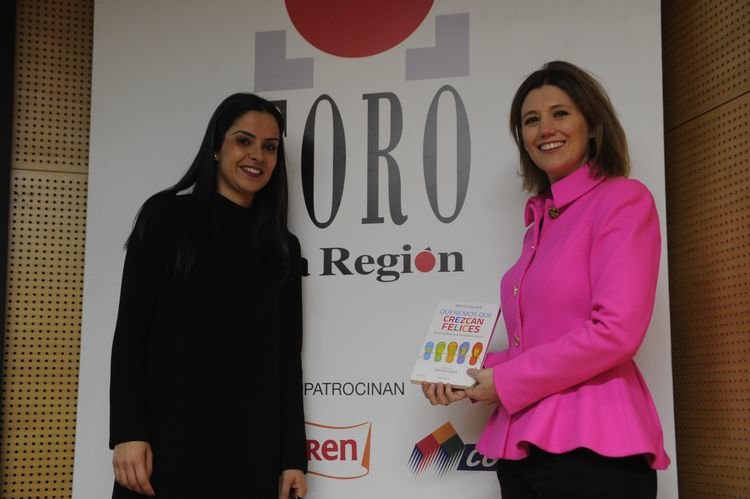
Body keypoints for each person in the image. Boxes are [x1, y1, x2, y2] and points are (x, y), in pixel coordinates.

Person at [422, 61, 670, 498]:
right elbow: (536, 346)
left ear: (593, 126)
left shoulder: (622, 200)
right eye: (531, 120)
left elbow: (616, 332)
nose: (545, 129)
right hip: (522, 450)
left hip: (593, 448)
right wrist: (466, 373)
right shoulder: (542, 220)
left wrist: (503, 383)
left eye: (560, 113)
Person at [109, 93, 308, 499]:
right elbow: (130, 332)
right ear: (217, 146)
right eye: (244, 140)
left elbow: (286, 360)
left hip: (251, 452)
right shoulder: (165, 218)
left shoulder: (283, 248)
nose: (257, 156)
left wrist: (292, 457)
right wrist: (128, 432)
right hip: (165, 447)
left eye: (270, 147)